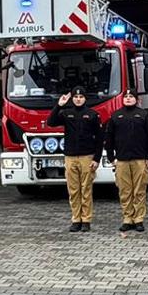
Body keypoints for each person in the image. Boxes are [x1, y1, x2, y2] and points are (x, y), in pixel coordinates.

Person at [104, 88, 148, 234]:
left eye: (131, 96)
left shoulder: (144, 116)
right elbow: (109, 139)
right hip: (122, 161)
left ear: (137, 99)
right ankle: (127, 218)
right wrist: (111, 158)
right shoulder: (116, 116)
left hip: (140, 160)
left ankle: (139, 219)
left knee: (139, 191)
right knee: (125, 191)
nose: (128, 98)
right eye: (126, 96)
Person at [50, 88, 104, 233]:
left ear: (85, 98)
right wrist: (59, 105)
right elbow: (51, 122)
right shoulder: (66, 113)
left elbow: (100, 139)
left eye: (81, 96)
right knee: (73, 191)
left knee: (86, 190)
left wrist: (97, 158)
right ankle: (76, 219)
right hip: (70, 157)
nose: (78, 99)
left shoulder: (92, 115)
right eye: (75, 96)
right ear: (72, 98)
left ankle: (86, 220)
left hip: (87, 157)